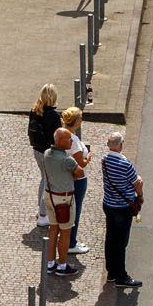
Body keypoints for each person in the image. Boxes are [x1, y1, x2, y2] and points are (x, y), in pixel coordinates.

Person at [101, 130, 142, 288]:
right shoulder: (125, 164)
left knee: (110, 239)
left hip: (108, 204)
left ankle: (111, 271)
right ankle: (121, 276)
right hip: (122, 207)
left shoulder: (104, 160)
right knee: (121, 242)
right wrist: (141, 193)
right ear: (121, 146)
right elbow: (136, 182)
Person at [43, 127, 84, 276]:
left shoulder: (47, 153)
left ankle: (50, 263)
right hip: (64, 200)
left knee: (53, 229)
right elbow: (80, 172)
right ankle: (62, 265)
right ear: (60, 141)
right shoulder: (67, 160)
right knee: (65, 233)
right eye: (69, 139)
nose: (71, 141)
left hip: (49, 196)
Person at [27, 82, 62, 228]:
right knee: (48, 182)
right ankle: (43, 215)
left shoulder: (35, 111)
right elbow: (57, 136)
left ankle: (40, 210)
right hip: (48, 152)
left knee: (43, 179)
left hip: (36, 149)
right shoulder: (53, 115)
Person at [59, 105, 91, 256]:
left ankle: (67, 238)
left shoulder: (61, 135)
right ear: (77, 121)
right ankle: (71, 242)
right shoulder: (74, 140)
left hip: (66, 178)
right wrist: (88, 157)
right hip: (78, 179)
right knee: (75, 211)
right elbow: (81, 163)